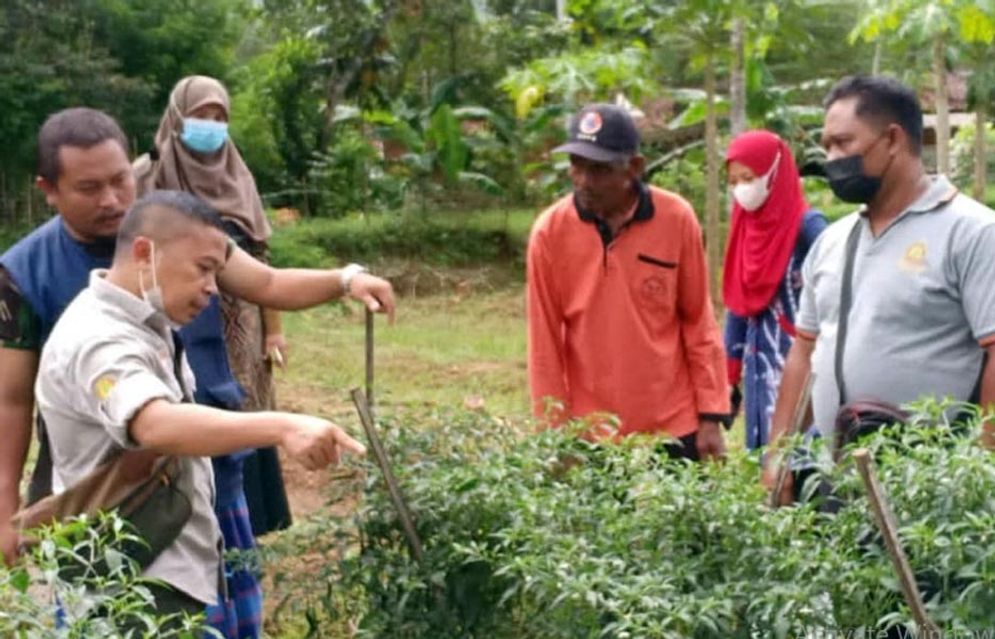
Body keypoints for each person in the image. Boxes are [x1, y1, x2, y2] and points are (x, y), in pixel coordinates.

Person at [0, 107, 395, 572]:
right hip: (112, 481)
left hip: (209, 448)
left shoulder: (177, 228)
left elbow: (266, 284)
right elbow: (11, 401)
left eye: (119, 180)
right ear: (48, 189)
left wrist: (345, 280)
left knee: (218, 590)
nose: (111, 199)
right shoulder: (24, 274)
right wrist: (6, 508)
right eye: (89, 188)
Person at [34, 189, 366, 625]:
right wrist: (281, 427)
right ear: (143, 252)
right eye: (203, 269)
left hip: (156, 566)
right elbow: (154, 423)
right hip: (129, 590)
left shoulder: (146, 323)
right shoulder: (100, 338)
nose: (213, 288)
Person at [762, 75, 995, 505]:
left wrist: (983, 468)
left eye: (843, 143)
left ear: (892, 139)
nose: (831, 158)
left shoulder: (973, 233)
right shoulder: (832, 241)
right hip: (838, 478)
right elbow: (804, 351)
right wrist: (780, 454)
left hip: (933, 490)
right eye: (826, 145)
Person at [134, 76, 291, 637]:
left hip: (237, 331)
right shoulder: (143, 177)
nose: (211, 125)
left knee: (241, 429)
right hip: (173, 327)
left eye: (219, 114)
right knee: (184, 426)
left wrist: (273, 332)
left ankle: (241, 537)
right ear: (177, 117)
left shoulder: (239, 177)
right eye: (200, 113)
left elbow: (265, 265)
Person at [527, 103, 729, 461]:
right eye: (577, 166)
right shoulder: (550, 232)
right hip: (591, 434)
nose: (584, 181)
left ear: (634, 168)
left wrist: (711, 414)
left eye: (600, 169)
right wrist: (554, 435)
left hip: (672, 426)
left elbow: (698, 319)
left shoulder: (676, 219)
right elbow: (545, 343)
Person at [723, 130, 827, 450]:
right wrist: (729, 373)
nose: (742, 188)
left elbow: (835, 288)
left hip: (802, 362)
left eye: (749, 177)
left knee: (799, 454)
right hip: (760, 362)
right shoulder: (746, 227)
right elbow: (740, 304)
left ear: (774, 173)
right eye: (734, 181)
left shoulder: (808, 228)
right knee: (762, 453)